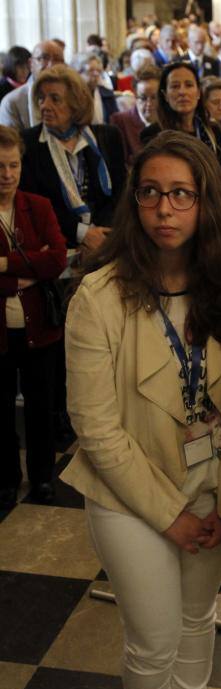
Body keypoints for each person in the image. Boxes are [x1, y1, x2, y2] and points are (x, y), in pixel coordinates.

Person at [61, 130, 221, 689]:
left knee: (198, 617)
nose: (164, 209)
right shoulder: (100, 295)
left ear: (205, 204)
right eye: (150, 193)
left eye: (181, 195)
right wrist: (168, 515)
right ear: (132, 201)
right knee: (155, 630)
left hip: (212, 486)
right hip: (128, 491)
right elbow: (96, 430)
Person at [0, 125, 67, 510]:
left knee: (42, 409)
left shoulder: (37, 206)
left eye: (14, 165)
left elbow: (57, 259)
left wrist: (4, 265)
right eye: (1, 166)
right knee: (2, 412)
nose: (7, 175)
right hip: (1, 333)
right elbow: (41, 263)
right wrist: (26, 270)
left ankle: (42, 477)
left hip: (40, 328)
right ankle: (6, 479)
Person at [19, 64, 126, 252]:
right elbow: (33, 205)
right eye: (41, 98)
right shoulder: (28, 144)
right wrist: (83, 234)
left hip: (108, 238)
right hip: (57, 244)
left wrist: (102, 235)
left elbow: (121, 193)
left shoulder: (108, 137)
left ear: (76, 103)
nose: (45, 105)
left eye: (55, 99)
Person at [141, 60, 221, 195]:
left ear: (198, 93)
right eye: (175, 86)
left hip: (215, 210)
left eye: (188, 85)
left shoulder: (211, 131)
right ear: (165, 95)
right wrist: (218, 187)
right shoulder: (153, 134)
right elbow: (165, 185)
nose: (182, 92)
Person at [0, 40, 64, 130]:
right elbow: (11, 142)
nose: (51, 65)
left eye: (57, 59)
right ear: (31, 64)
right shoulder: (12, 103)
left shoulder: (74, 96)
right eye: (44, 58)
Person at [111, 65, 161, 165]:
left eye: (154, 98)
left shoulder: (170, 121)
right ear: (135, 95)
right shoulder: (120, 121)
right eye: (143, 98)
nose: (149, 103)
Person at [74, 53, 118, 125]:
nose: (96, 74)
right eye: (91, 70)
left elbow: (115, 121)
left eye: (99, 71)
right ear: (78, 73)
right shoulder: (72, 95)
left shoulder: (107, 94)